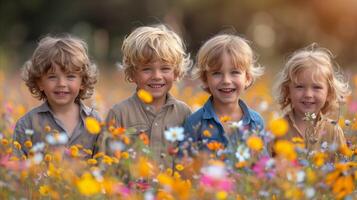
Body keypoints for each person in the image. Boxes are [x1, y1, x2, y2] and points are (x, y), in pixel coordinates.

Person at [105, 24, 192, 163]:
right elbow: (108, 164)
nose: (157, 76)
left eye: (165, 69)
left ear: (176, 73)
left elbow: (189, 161)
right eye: (147, 69)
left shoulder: (185, 113)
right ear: (132, 73)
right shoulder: (119, 114)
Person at [13, 35, 101, 159]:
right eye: (52, 77)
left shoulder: (95, 121)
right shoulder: (27, 124)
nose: (61, 84)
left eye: (70, 76)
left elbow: (105, 168)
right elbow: (17, 168)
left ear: (82, 82)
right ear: (40, 82)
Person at [182, 34, 265, 155]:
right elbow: (184, 165)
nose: (226, 80)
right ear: (205, 79)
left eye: (235, 72)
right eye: (217, 73)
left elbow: (262, 166)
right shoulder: (195, 123)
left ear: (247, 78)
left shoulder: (256, 122)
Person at [273, 44, 351, 153]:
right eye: (300, 87)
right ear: (288, 91)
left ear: (329, 92)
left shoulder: (333, 131)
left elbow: (344, 166)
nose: (308, 94)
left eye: (317, 87)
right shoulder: (277, 129)